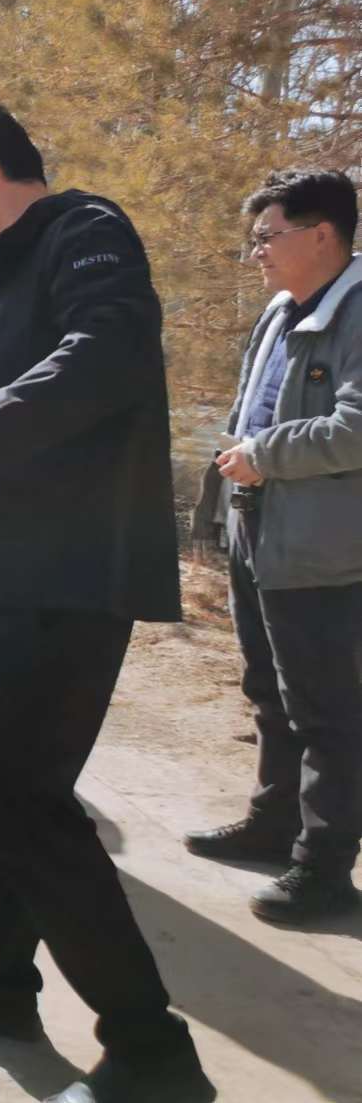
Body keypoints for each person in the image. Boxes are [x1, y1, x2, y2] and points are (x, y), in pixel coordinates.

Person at [0, 102, 212, 1103]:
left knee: (29, 801)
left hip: (66, 578)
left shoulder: (86, 233)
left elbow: (106, 355)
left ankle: (149, 1048)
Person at [187, 168, 362, 925]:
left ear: (322, 234)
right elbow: (244, 410)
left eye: (269, 235)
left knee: (326, 709)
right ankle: (273, 820)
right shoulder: (279, 310)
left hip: (323, 544)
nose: (256, 251)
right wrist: (217, 499)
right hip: (258, 527)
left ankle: (324, 869)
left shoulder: (358, 311)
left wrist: (265, 452)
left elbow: (354, 425)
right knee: (268, 690)